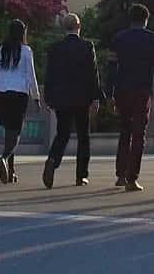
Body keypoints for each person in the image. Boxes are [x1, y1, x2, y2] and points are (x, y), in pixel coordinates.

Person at [107, 3, 154, 192]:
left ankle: (120, 174)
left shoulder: (118, 38)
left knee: (125, 132)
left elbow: (111, 67)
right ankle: (133, 178)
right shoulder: (152, 39)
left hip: (123, 90)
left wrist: (109, 93)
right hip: (142, 90)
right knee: (139, 134)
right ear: (146, 20)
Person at [42, 13, 104, 189]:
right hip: (82, 97)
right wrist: (96, 97)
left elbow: (50, 75)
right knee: (84, 136)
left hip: (62, 98)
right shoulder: (86, 46)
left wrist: (49, 98)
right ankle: (81, 175)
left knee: (62, 134)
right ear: (79, 26)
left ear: (64, 27)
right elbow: (93, 73)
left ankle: (53, 160)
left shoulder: (55, 48)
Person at [0, 18, 41, 184]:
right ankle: (3, 158)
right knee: (16, 132)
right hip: (19, 94)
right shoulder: (26, 51)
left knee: (8, 132)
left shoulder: (1, 50)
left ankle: (10, 171)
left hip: (1, 93)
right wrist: (36, 97)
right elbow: (31, 75)